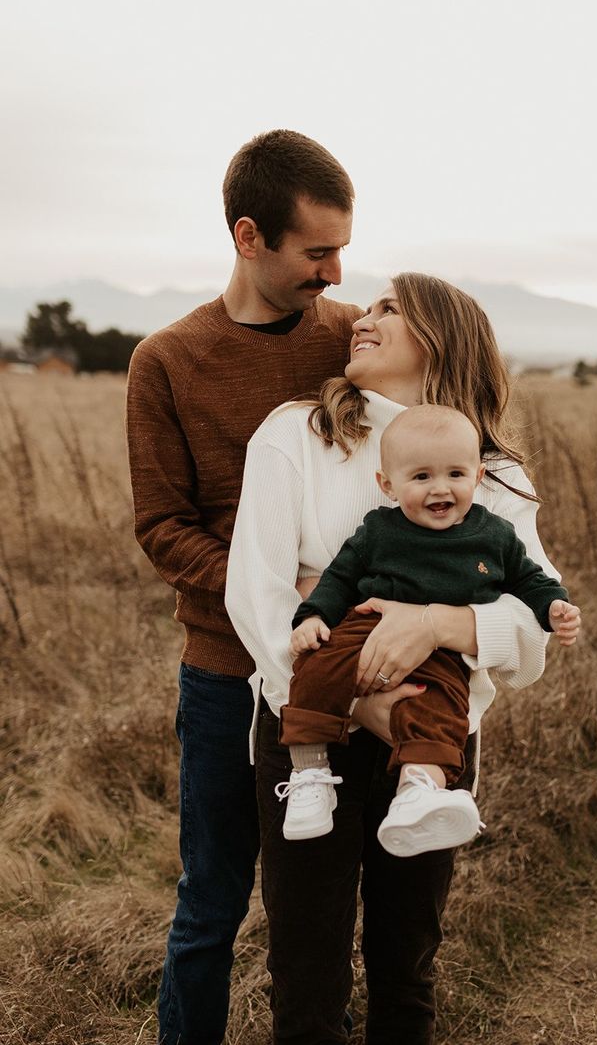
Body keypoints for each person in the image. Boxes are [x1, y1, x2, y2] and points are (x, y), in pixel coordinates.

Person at [226, 272, 582, 1045]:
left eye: (390, 307)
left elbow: (529, 642)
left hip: (436, 741)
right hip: (306, 730)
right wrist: (362, 703)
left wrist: (437, 622)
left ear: (440, 340)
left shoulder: (492, 475)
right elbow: (258, 599)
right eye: (368, 303)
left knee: (407, 960)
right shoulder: (294, 434)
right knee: (306, 963)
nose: (362, 315)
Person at [126, 129, 359, 1045]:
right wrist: (275, 590)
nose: (337, 272)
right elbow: (163, 527)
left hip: (338, 673)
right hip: (226, 679)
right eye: (317, 251)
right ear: (249, 237)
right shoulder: (168, 361)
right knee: (211, 903)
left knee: (321, 912)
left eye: (343, 246)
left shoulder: (353, 340)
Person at [280, 403, 579, 853]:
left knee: (441, 713)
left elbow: (530, 579)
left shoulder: (494, 536)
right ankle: (309, 773)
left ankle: (419, 792)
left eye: (455, 475)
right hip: (367, 627)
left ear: (478, 477)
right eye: (421, 478)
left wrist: (554, 606)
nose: (440, 489)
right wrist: (313, 617)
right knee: (317, 667)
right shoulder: (379, 530)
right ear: (388, 484)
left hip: (443, 655)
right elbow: (339, 578)